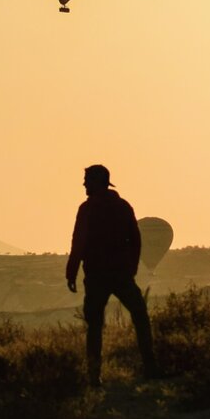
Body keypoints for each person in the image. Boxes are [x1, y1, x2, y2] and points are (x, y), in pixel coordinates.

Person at [65, 164, 160, 386]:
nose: (84, 184)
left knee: (95, 325)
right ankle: (150, 367)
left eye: (87, 180)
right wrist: (131, 268)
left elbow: (78, 242)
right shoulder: (122, 206)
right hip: (120, 274)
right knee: (140, 316)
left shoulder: (87, 209)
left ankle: (94, 376)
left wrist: (71, 272)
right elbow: (135, 240)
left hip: (99, 275)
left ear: (97, 182)